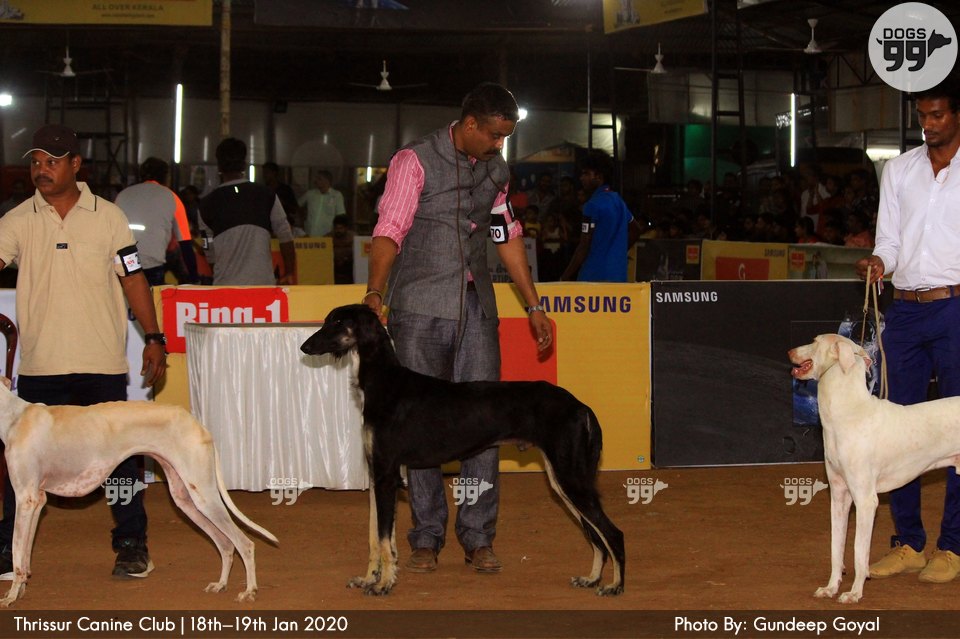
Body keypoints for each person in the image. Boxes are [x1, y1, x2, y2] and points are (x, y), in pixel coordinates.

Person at [364, 82, 552, 575]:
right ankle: (426, 537)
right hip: (419, 308)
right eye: (494, 135)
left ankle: (478, 537)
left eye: (505, 137)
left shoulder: (497, 170)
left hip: (478, 308)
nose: (500, 145)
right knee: (419, 425)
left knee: (486, 422)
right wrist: (375, 293)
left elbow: (506, 234)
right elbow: (389, 231)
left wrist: (534, 304)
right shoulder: (414, 161)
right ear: (469, 124)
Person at [0, 124, 167, 578]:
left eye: (52, 161)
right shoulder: (18, 219)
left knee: (120, 462)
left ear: (76, 164)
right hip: (41, 367)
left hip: (101, 363)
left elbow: (134, 278)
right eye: (36, 162)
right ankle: (7, 548)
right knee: (21, 464)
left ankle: (131, 545)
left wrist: (154, 337)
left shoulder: (109, 217)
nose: (41, 170)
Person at [856, 77, 960, 585]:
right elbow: (889, 241)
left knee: (959, 429)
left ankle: (953, 546)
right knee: (896, 430)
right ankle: (909, 543)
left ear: (957, 115)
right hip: (905, 311)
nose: (928, 125)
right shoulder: (898, 170)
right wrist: (880, 261)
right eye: (922, 116)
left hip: (956, 307)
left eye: (937, 115)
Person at [197, 138, 296, 285]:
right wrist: (289, 272)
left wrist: (220, 272)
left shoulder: (205, 205)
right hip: (262, 284)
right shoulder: (266, 195)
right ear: (244, 164)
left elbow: (207, 247)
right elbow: (285, 235)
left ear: (219, 167)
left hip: (225, 286)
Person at [560, 150, 641, 282]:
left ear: (598, 176)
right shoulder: (618, 201)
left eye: (586, 173)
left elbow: (583, 246)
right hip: (618, 275)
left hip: (594, 275)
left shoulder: (591, 206)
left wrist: (564, 277)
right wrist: (618, 253)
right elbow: (636, 230)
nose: (581, 178)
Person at [115, 157, 193, 286]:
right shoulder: (171, 197)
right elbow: (185, 243)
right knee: (152, 297)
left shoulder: (122, 195)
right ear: (166, 177)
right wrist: (194, 276)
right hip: (152, 265)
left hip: (123, 264)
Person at [298, 169, 345, 237]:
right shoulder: (310, 194)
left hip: (327, 235)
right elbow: (296, 205)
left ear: (327, 181)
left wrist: (335, 232)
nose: (316, 181)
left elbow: (340, 216)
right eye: (316, 178)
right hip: (309, 234)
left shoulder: (337, 195)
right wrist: (302, 218)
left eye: (319, 179)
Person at [262, 161, 304, 237]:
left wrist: (282, 202)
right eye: (263, 173)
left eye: (266, 173)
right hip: (267, 227)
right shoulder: (263, 190)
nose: (264, 175)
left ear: (274, 173)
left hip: (283, 226)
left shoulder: (285, 190)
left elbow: (294, 209)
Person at [327, 213, 355, 284]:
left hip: (348, 267)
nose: (338, 231)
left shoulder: (353, 237)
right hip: (333, 267)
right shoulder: (328, 238)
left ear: (346, 228)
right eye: (336, 228)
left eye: (341, 228)